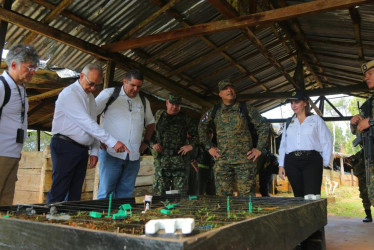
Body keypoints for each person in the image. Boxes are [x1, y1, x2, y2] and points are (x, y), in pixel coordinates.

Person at [47, 63, 128, 203]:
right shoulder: (70, 93)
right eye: (91, 83)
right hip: (65, 145)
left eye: (96, 85)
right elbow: (86, 123)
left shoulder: (89, 97)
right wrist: (112, 142)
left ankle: (69, 220)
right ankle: (48, 218)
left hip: (81, 149)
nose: (93, 88)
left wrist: (95, 150)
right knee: (60, 187)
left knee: (76, 190)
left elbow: (93, 123)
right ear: (82, 76)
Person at [198, 80, 269, 196]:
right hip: (223, 160)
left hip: (244, 161)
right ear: (220, 94)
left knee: (247, 198)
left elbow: (264, 126)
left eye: (231, 87)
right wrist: (209, 147)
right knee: (223, 197)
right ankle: (227, 214)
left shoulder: (246, 109)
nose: (229, 90)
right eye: (225, 88)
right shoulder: (214, 111)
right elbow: (201, 127)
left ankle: (246, 214)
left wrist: (259, 148)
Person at [95, 69, 155, 199]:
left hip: (133, 155)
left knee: (126, 193)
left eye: (139, 86)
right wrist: (99, 139)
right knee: (106, 192)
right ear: (124, 81)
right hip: (111, 152)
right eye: (132, 85)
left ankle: (120, 218)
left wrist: (146, 142)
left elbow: (151, 123)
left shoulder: (144, 101)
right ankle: (104, 218)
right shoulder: (110, 94)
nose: (135, 89)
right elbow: (91, 113)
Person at [0, 44, 40, 205]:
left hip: (13, 152)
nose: (33, 72)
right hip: (1, 151)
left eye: (35, 68)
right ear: (14, 65)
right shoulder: (2, 86)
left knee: (5, 200)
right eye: (29, 67)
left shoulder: (21, 88)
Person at [278, 90, 333, 197]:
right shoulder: (289, 122)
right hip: (292, 162)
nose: (293, 105)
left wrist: (324, 162)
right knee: (299, 197)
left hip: (312, 161)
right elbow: (283, 144)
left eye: (297, 102)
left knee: (311, 196)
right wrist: (281, 165)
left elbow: (327, 140)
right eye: (292, 103)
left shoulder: (316, 120)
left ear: (305, 103)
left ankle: (314, 214)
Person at [151, 93, 198, 195]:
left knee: (181, 194)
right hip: (162, 163)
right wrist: (153, 144)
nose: (175, 107)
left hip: (179, 162)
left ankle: (179, 210)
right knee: (160, 194)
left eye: (177, 105)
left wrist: (191, 145)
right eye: (172, 104)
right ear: (167, 103)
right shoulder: (159, 116)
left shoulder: (186, 119)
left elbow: (198, 135)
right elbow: (149, 133)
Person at [350, 59, 374, 219]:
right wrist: (355, 123)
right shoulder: (368, 104)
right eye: (365, 75)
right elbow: (359, 133)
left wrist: (371, 121)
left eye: (370, 73)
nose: (366, 78)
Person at [346, 150, 372, 222]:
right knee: (364, 195)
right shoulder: (360, 154)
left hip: (372, 176)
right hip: (362, 177)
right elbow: (353, 162)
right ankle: (368, 215)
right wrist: (351, 161)